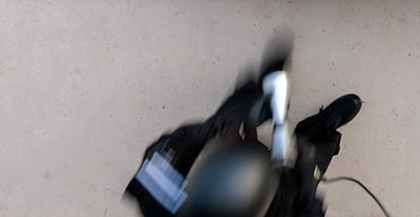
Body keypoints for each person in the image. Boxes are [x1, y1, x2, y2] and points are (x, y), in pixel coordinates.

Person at [126, 43, 365, 217]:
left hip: (225, 153)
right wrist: (307, 191)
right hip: (276, 208)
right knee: (306, 169)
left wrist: (212, 128)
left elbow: (164, 150)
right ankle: (321, 129)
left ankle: (261, 92)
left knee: (230, 119)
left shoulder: (159, 202)